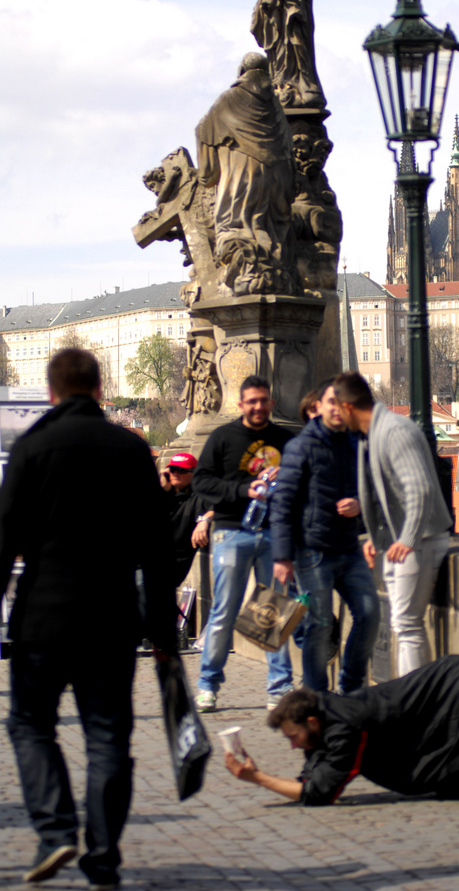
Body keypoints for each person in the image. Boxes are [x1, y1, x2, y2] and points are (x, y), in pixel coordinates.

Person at [0, 349, 177, 888]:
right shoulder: (130, 449)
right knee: (107, 739)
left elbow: (4, 543)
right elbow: (157, 550)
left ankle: (56, 831)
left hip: (42, 618)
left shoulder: (31, 448)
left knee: (31, 726)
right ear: (100, 390)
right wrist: (165, 634)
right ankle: (102, 854)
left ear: (52, 393)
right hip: (111, 617)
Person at [224, 654, 459, 805]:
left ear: (312, 722)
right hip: (458, 682)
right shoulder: (324, 717)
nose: (292, 745)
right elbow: (313, 772)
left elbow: (321, 791)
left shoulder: (345, 727)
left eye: (293, 736)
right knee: (458, 768)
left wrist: (259, 779)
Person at [332, 371, 452, 677]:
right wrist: (378, 536)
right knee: (402, 623)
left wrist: (408, 538)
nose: (331, 413)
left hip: (421, 540)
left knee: (407, 624)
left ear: (347, 407)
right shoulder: (370, 436)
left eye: (335, 405)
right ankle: (410, 696)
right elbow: (387, 496)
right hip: (400, 541)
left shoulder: (394, 431)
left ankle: (414, 700)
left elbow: (420, 489)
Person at [191, 375, 295, 712]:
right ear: (241, 404)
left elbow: (301, 480)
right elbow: (202, 481)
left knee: (274, 609)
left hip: (273, 534)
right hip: (232, 531)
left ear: (271, 403)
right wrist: (242, 491)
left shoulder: (284, 439)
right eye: (252, 401)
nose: (258, 406)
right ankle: (208, 684)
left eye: (263, 400)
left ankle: (279, 687)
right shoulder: (223, 437)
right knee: (224, 610)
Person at [271, 381, 379, 694]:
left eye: (340, 403)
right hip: (312, 552)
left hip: (349, 548)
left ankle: (350, 687)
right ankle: (317, 698)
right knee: (319, 627)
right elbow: (283, 502)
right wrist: (282, 556)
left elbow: (370, 487)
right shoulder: (301, 446)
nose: (335, 408)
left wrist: (359, 504)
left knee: (370, 613)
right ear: (320, 406)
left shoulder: (356, 443)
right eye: (330, 402)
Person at [195, 52, 300, 296]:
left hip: (243, 180)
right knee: (270, 233)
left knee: (238, 230)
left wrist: (209, 170)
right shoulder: (276, 110)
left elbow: (204, 130)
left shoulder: (231, 98)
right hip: (277, 184)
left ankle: (245, 267)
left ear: (242, 71)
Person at [159, 452, 214, 585]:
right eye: (172, 470)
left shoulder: (198, 497)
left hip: (170, 568)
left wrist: (205, 519)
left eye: (182, 470)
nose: (176, 474)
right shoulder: (163, 494)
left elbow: (222, 504)